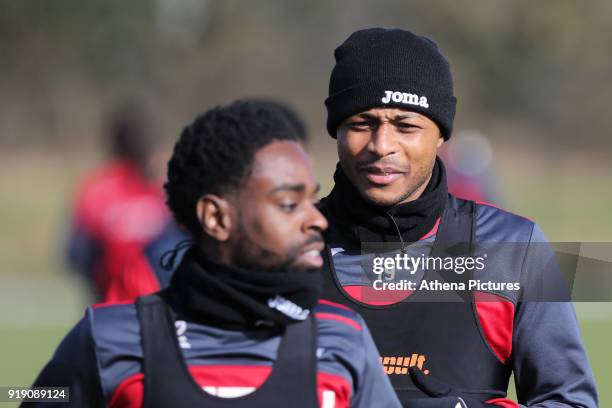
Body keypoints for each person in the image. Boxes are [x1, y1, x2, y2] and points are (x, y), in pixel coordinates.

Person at [29, 101, 401, 408]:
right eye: (290, 204)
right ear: (216, 217)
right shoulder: (105, 338)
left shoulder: (344, 337)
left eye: (311, 199)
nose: (316, 219)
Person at [318, 28, 598, 407]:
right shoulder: (283, 249)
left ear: (441, 135)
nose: (381, 146)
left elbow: (569, 401)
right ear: (337, 130)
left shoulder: (509, 248)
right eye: (361, 123)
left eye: (406, 126)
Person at [65, 103, 181, 302]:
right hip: (163, 310)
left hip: (108, 310)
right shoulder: (163, 190)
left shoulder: (96, 191)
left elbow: (76, 253)